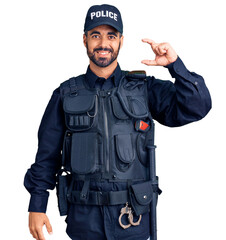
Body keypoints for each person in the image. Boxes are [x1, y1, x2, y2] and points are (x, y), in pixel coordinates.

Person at [24, 4, 211, 240]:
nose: (103, 43)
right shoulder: (65, 94)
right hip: (84, 223)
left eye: (111, 36)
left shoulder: (144, 89)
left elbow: (198, 106)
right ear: (84, 40)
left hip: (133, 220)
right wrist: (37, 204)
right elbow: (47, 155)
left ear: (121, 40)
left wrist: (175, 65)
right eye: (96, 35)